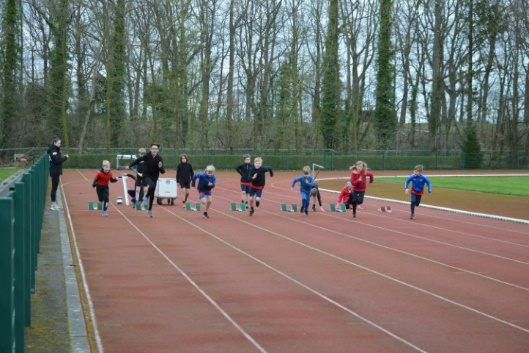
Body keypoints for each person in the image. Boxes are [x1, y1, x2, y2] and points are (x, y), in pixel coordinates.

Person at [127, 143, 165, 218]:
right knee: (152, 186)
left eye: (156, 149)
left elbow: (163, 172)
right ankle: (146, 197)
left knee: (152, 193)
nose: (154, 150)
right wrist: (130, 165)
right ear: (151, 149)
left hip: (154, 177)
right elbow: (138, 160)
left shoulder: (159, 159)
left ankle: (150, 209)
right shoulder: (147, 156)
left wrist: (160, 167)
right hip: (146, 175)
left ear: (158, 150)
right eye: (153, 148)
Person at [47, 137, 69, 210]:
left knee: (55, 188)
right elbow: (57, 161)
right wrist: (65, 158)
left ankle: (54, 203)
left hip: (56, 170)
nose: (60, 144)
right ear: (54, 143)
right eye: (59, 143)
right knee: (54, 188)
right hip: (54, 171)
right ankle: (53, 205)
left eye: (60, 143)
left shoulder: (55, 150)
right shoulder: (53, 151)